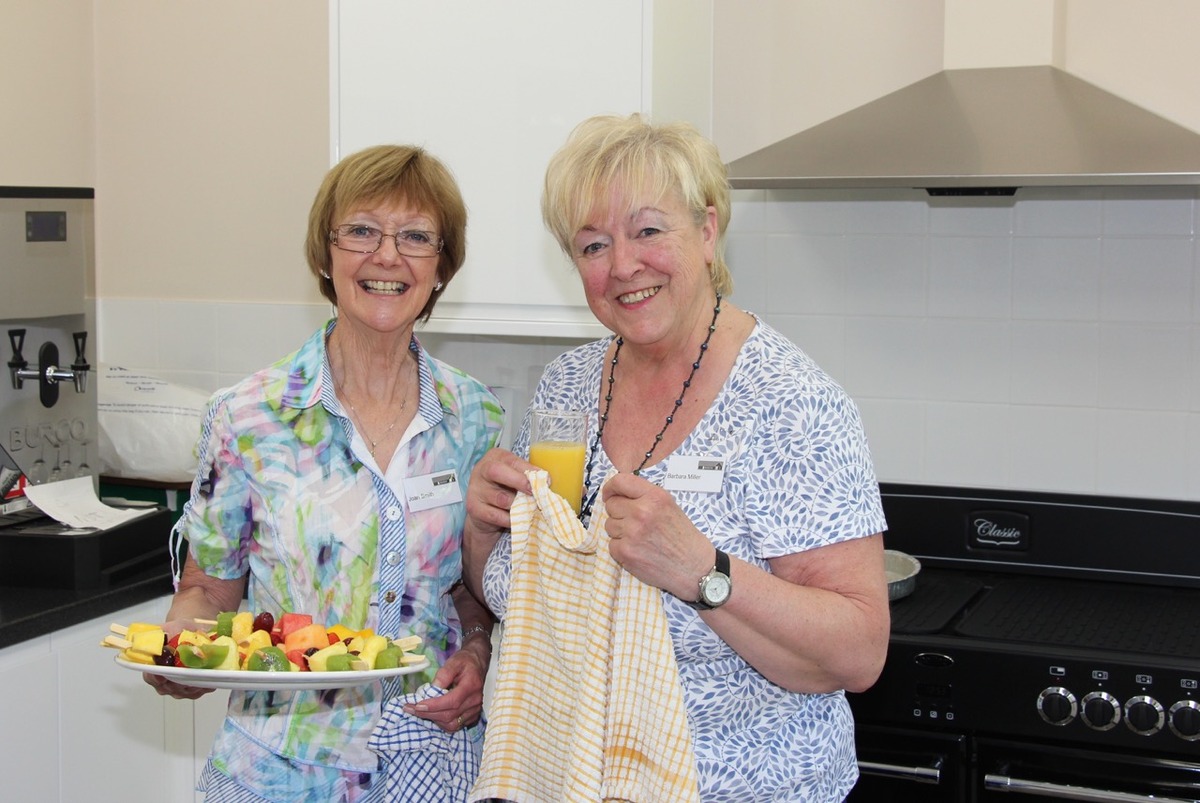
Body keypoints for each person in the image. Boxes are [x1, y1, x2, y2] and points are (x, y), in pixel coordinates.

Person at [462, 114, 890, 802]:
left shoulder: (791, 402)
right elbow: (524, 599)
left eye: (648, 230)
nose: (623, 264)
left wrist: (702, 570)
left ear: (708, 230)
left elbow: (859, 650)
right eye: (594, 244)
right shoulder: (566, 387)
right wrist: (484, 528)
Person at [146, 144, 504, 802]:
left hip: (434, 768)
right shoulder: (247, 418)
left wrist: (479, 650)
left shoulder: (474, 417)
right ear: (324, 253)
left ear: (442, 266)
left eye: (416, 236)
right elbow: (207, 591)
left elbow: (473, 587)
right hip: (281, 773)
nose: (387, 256)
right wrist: (182, 647)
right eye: (362, 230)